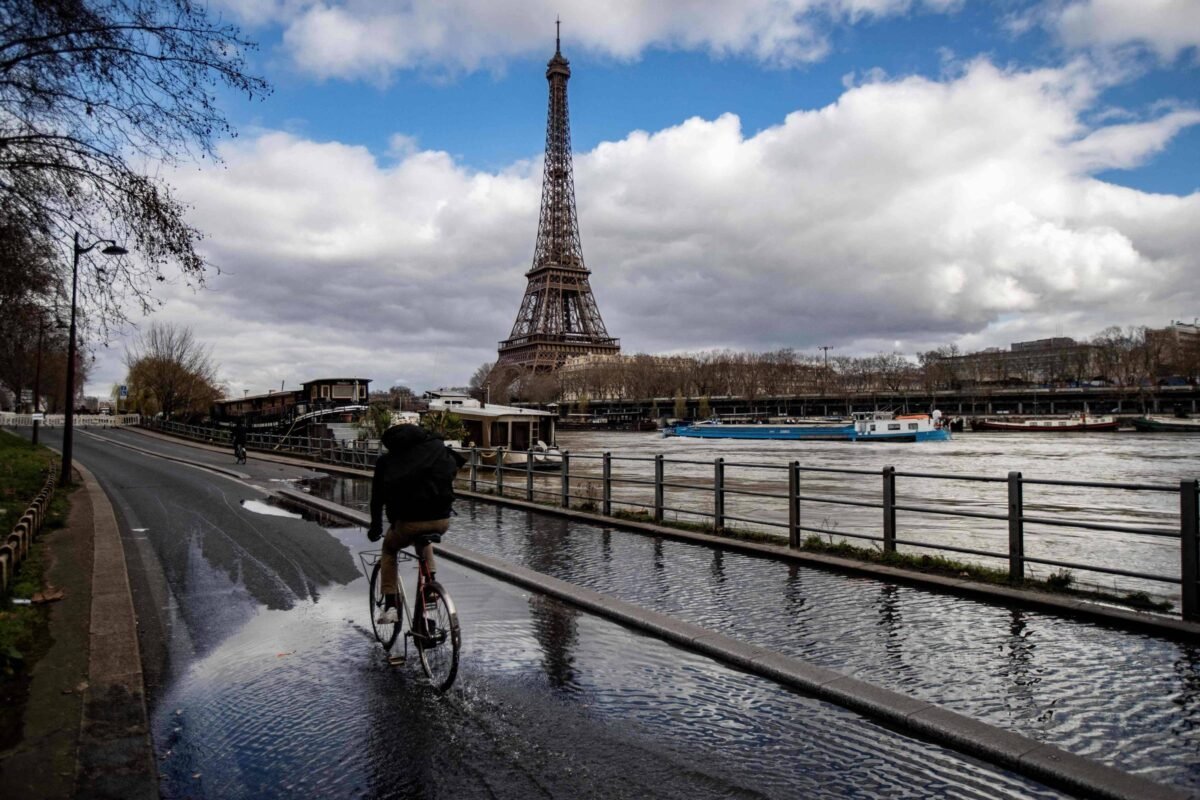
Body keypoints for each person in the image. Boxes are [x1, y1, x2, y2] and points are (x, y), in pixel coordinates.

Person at [368, 423, 466, 624]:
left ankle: (391, 606)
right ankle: (430, 585)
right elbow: (453, 469)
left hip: (408, 523)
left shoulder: (388, 461)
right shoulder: (437, 449)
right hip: (441, 520)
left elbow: (377, 499)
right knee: (424, 540)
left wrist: (376, 527)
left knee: (388, 549)